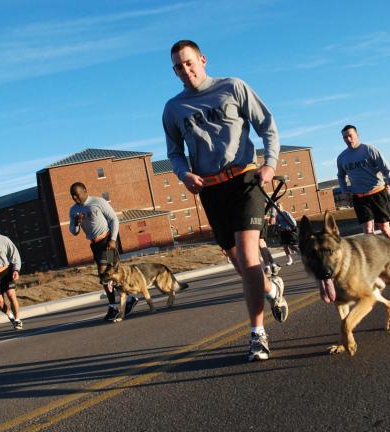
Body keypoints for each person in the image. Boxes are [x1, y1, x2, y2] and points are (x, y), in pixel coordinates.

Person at [162, 39, 288, 362]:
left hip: (245, 179)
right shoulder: (173, 109)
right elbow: (174, 153)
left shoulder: (233, 87)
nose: (185, 70)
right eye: (178, 66)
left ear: (202, 59)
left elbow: (267, 125)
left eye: (189, 62)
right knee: (239, 263)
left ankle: (257, 335)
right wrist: (183, 174)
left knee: (248, 258)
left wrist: (270, 164)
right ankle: (272, 290)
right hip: (211, 190)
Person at [69, 182, 136, 322]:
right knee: (111, 275)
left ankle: (113, 306)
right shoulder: (73, 210)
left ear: (85, 191)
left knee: (103, 273)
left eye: (77, 195)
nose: (75, 198)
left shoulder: (98, 202)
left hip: (106, 242)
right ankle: (129, 298)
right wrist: (76, 223)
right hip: (95, 245)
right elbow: (74, 232)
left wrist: (112, 239)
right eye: (73, 196)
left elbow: (113, 219)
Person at [336, 125, 390, 251]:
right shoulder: (342, 158)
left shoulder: (369, 150)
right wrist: (344, 190)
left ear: (357, 135)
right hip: (359, 197)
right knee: (368, 231)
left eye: (350, 135)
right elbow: (340, 176)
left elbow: (387, 171)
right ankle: (376, 257)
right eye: (345, 137)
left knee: (384, 227)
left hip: (377, 193)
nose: (348, 139)